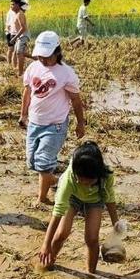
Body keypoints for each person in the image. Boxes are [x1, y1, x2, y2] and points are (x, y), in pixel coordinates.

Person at [19, 31, 85, 205]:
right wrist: (23, 114)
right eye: (40, 55)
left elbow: (76, 100)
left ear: (57, 51)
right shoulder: (33, 68)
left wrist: (80, 123)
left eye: (46, 56)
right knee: (32, 162)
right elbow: (27, 92)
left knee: (43, 163)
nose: (42, 59)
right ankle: (60, 182)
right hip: (34, 123)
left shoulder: (66, 73)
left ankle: (42, 199)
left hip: (54, 126)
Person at [39, 142, 119, 274]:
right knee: (61, 234)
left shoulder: (107, 176)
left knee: (92, 238)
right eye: (80, 180)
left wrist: (115, 224)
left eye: (89, 181)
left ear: (98, 175)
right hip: (72, 197)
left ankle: (91, 274)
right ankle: (48, 265)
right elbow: (58, 212)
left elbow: (110, 199)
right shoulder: (69, 180)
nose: (84, 184)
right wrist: (45, 245)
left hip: (95, 200)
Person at [8, 0, 31, 76]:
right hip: (20, 36)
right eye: (11, 5)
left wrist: (14, 37)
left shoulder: (20, 14)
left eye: (13, 4)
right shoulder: (17, 14)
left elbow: (23, 28)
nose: (11, 6)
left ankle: (20, 73)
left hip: (23, 35)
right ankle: (36, 58)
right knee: (18, 53)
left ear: (18, 5)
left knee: (19, 53)